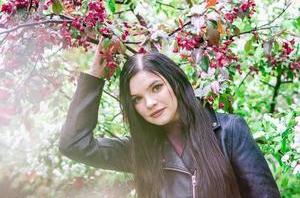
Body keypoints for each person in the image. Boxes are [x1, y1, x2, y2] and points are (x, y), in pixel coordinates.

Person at [59, 40, 281, 198]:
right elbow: (74, 144)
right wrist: (96, 72)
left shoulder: (229, 131)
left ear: (175, 83)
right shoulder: (141, 151)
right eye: (137, 99)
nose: (149, 103)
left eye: (156, 88)